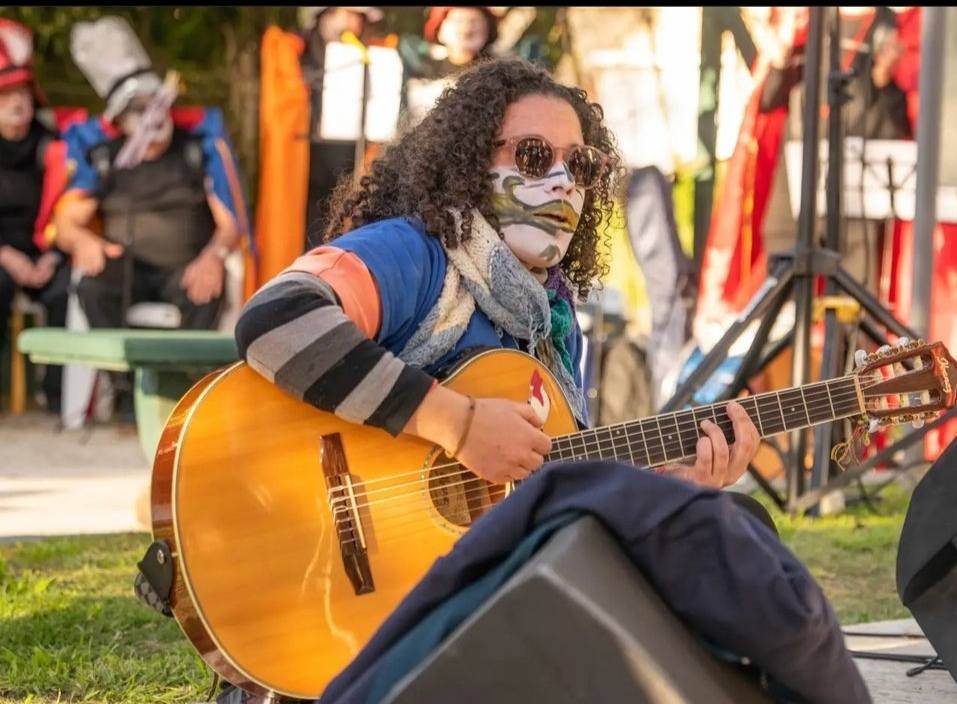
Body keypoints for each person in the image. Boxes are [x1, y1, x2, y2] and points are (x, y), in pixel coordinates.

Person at [236, 57, 760, 488]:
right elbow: (275, 318)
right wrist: (455, 425)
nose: (562, 182)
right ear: (467, 164)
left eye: (579, 165)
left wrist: (668, 485)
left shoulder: (553, 325)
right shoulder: (414, 253)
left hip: (475, 578)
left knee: (734, 520)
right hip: (328, 539)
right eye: (534, 157)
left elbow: (550, 483)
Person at [52, 16, 249, 333]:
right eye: (138, 108)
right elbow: (65, 224)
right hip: (127, 270)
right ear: (119, 120)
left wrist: (213, 255)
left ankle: (184, 381)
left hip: (186, 269)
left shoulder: (195, 151)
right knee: (93, 288)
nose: (152, 116)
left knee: (208, 288)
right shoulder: (106, 159)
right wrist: (83, 241)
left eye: (156, 103)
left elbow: (229, 225)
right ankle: (120, 381)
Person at [0, 19, 71, 412]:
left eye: (23, 94)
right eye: (7, 95)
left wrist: (53, 255)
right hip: (2, 256)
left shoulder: (53, 148)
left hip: (43, 252)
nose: (17, 104)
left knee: (65, 289)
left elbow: (68, 205)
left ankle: (58, 397)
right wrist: (8, 257)